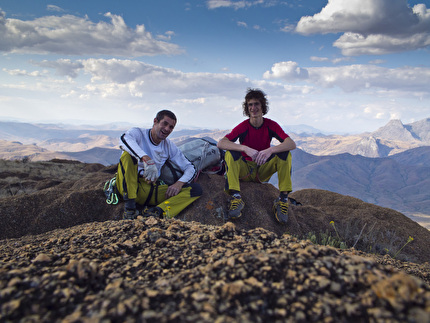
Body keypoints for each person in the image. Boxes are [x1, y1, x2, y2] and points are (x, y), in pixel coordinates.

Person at [217, 89, 296, 224]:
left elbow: (291, 143)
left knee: (284, 154)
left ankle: (282, 200)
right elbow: (221, 143)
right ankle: (236, 197)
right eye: (250, 105)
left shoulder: (271, 125)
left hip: (262, 171)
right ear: (247, 108)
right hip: (245, 171)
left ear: (262, 106)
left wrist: (270, 150)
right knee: (230, 153)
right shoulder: (243, 126)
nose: (253, 108)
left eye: (256, 104)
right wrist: (244, 148)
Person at [116, 110, 202, 220]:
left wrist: (179, 184)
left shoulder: (168, 146)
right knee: (127, 156)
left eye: (171, 127)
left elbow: (190, 168)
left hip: (149, 189)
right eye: (165, 124)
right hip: (127, 186)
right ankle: (130, 210)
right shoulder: (138, 133)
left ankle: (156, 212)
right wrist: (145, 158)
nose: (167, 129)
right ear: (155, 121)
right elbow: (124, 140)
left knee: (195, 189)